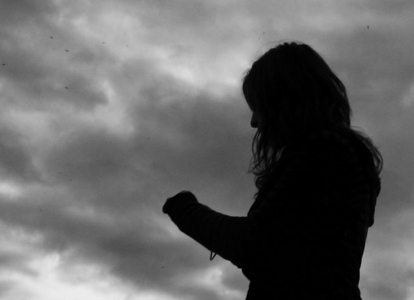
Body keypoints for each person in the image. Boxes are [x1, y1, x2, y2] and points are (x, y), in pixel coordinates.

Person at [162, 42, 384, 299]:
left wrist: (185, 210)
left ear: (285, 100)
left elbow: (252, 244)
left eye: (259, 106)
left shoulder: (325, 152)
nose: (254, 122)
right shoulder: (334, 153)